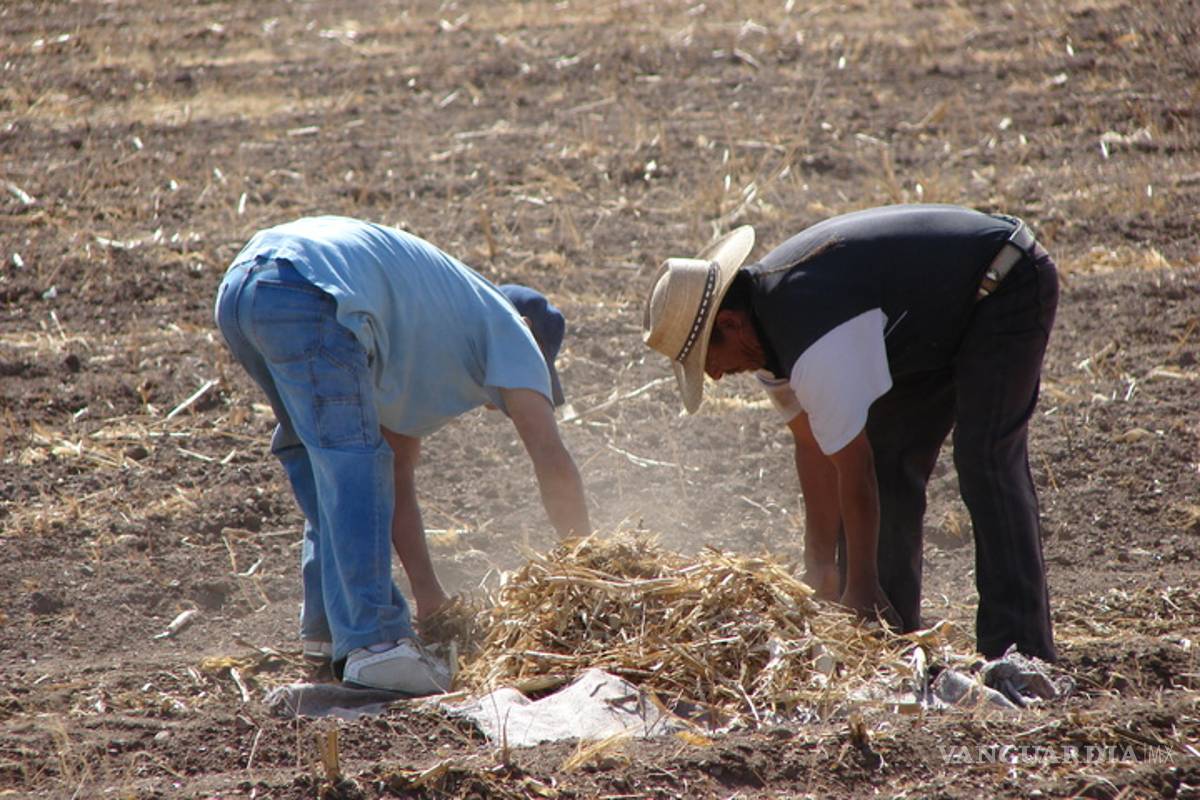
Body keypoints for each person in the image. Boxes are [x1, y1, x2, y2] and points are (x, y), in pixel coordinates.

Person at [642, 204, 1058, 662]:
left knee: (985, 460)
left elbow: (853, 468)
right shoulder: (766, 335)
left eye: (708, 359)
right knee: (890, 461)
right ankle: (886, 642)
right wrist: (820, 563)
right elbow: (813, 445)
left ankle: (1020, 653)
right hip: (932, 318)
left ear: (729, 324)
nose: (716, 376)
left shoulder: (810, 336)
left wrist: (859, 583)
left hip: (1003, 282)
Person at [215, 215, 591, 694]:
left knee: (323, 460)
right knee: (351, 463)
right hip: (306, 288)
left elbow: (397, 478)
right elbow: (550, 457)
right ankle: (376, 646)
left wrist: (428, 594)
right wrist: (588, 566)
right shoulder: (510, 327)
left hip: (244, 287)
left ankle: (328, 632)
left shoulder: (425, 329)